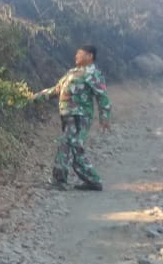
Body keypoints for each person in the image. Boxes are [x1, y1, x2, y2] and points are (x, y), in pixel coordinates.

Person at [32, 44, 111, 190]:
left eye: (79, 54)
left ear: (89, 56)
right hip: (68, 116)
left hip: (80, 116)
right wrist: (36, 97)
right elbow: (57, 89)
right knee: (73, 146)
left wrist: (104, 117)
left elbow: (102, 96)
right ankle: (92, 181)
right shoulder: (72, 72)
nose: (76, 56)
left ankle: (59, 180)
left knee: (67, 144)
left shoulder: (93, 74)